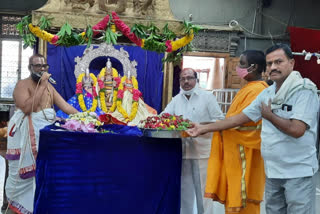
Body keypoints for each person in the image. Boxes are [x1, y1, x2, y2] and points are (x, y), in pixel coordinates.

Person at [187, 44, 319, 214]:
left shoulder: (304, 90)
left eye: (279, 62)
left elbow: (297, 130)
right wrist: (202, 128)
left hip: (297, 171)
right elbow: (236, 119)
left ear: (292, 63)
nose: (273, 67)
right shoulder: (267, 94)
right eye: (270, 63)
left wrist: (270, 115)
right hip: (273, 170)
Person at [5, 54, 78, 214]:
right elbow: (27, 108)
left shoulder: (49, 88)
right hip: (26, 140)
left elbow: (65, 107)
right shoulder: (22, 85)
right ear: (30, 68)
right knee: (22, 179)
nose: (42, 69)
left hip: (45, 138)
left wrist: (83, 117)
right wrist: (43, 83)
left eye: (44, 66)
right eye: (37, 66)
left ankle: (39, 207)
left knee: (44, 175)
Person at [205, 50, 268, 214]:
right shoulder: (248, 88)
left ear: (253, 67)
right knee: (235, 201)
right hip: (237, 153)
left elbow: (241, 122)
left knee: (244, 201)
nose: (237, 68)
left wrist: (208, 127)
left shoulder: (258, 90)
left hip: (246, 154)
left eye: (241, 63)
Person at [162, 68, 225, 214]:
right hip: (183, 153)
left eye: (189, 78)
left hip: (202, 152)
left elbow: (220, 121)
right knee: (185, 193)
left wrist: (201, 126)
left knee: (203, 193)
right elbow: (164, 117)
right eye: (182, 79)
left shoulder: (207, 97)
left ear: (196, 80)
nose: (186, 81)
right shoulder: (176, 100)